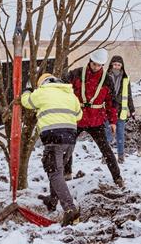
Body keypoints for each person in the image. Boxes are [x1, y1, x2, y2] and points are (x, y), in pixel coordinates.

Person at [19, 72, 82, 226]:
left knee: (54, 173)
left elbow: (27, 102)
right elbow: (79, 115)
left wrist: (26, 91)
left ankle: (70, 209)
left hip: (54, 137)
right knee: (57, 171)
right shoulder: (70, 94)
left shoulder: (42, 92)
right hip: (70, 138)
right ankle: (53, 200)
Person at [65, 47, 124, 187]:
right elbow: (63, 89)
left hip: (96, 121)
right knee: (68, 147)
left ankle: (117, 178)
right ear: (90, 61)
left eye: (99, 65)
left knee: (106, 150)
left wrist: (113, 122)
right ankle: (66, 175)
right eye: (94, 64)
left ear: (103, 65)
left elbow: (111, 103)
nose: (96, 67)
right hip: (77, 118)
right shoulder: (76, 74)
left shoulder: (107, 80)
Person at [105, 55, 134, 162]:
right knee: (107, 135)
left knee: (120, 135)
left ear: (122, 66)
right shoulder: (105, 76)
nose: (116, 66)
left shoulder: (125, 79)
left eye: (119, 65)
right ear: (111, 65)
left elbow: (129, 95)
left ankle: (121, 156)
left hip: (121, 110)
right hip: (108, 109)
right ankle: (106, 156)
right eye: (115, 64)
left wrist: (132, 109)